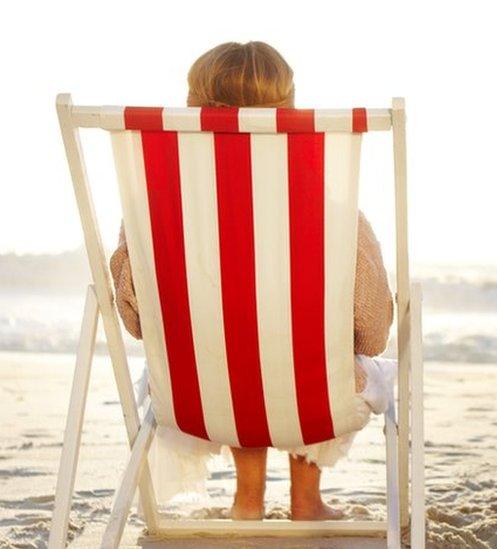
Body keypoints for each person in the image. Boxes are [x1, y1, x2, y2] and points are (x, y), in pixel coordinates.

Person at [109, 41, 394, 521]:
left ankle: (247, 501)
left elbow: (137, 321)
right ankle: (307, 502)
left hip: (195, 395)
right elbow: (371, 329)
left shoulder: (151, 215)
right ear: (289, 109)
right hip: (317, 397)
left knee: (234, 348)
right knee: (314, 356)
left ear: (192, 106)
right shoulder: (333, 213)